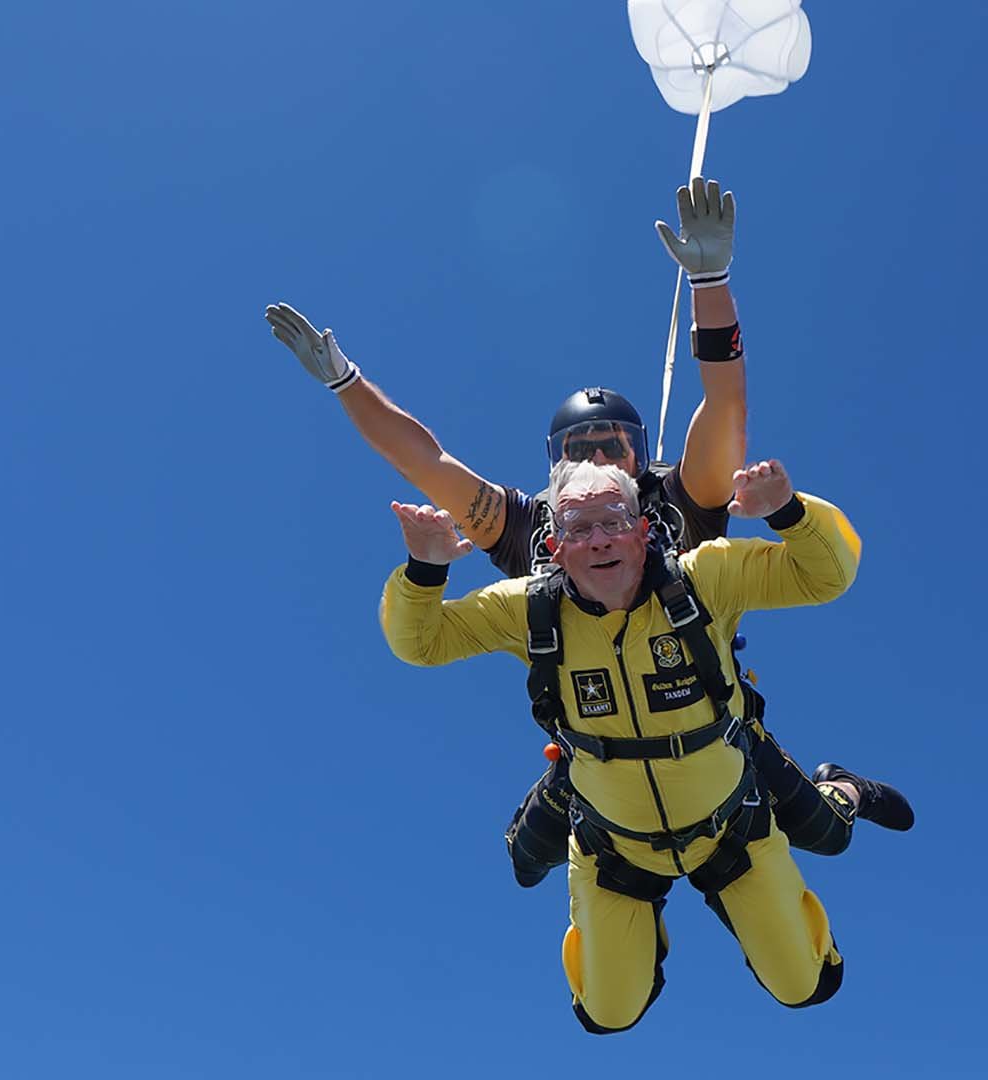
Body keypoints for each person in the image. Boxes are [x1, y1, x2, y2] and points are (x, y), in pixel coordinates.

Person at [265, 178, 910, 885]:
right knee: (524, 859)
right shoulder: (527, 525)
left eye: (613, 446)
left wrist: (710, 284)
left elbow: (725, 401)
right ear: (553, 465)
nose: (598, 460)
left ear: (640, 455)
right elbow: (423, 460)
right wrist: (346, 383)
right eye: (580, 448)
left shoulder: (680, 497)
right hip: (595, 730)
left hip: (703, 715)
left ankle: (843, 783)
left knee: (823, 832)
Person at [381, 458, 866, 1032]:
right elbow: (420, 643)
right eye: (577, 526)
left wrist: (788, 511)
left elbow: (827, 575)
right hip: (615, 848)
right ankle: (640, 938)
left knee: (806, 984)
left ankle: (842, 790)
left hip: (731, 828)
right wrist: (424, 569)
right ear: (554, 545)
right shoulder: (530, 608)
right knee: (606, 1013)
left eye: (613, 519)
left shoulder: (704, 578)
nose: (599, 539)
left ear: (643, 529)